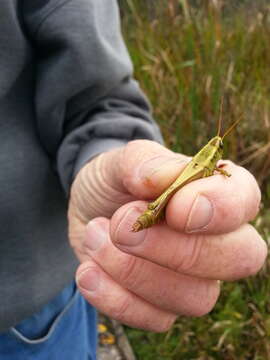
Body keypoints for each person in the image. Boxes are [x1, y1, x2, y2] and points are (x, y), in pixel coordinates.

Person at [0, 0, 267, 359]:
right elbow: (201, 169)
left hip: (32, 315)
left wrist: (112, 160)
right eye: (216, 147)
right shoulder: (207, 161)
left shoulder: (210, 163)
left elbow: (100, 100)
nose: (215, 151)